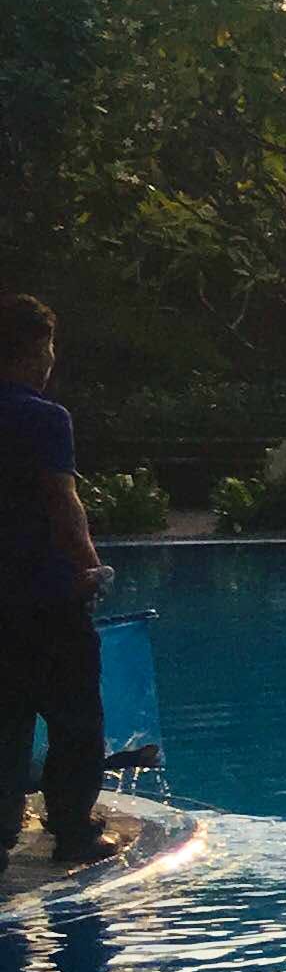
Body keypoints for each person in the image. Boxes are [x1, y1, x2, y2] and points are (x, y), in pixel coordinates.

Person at [2, 294, 115, 867]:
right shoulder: (44, 418)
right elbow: (61, 500)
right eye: (48, 345)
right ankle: (73, 830)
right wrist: (90, 568)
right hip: (45, 598)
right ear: (31, 350)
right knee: (74, 719)